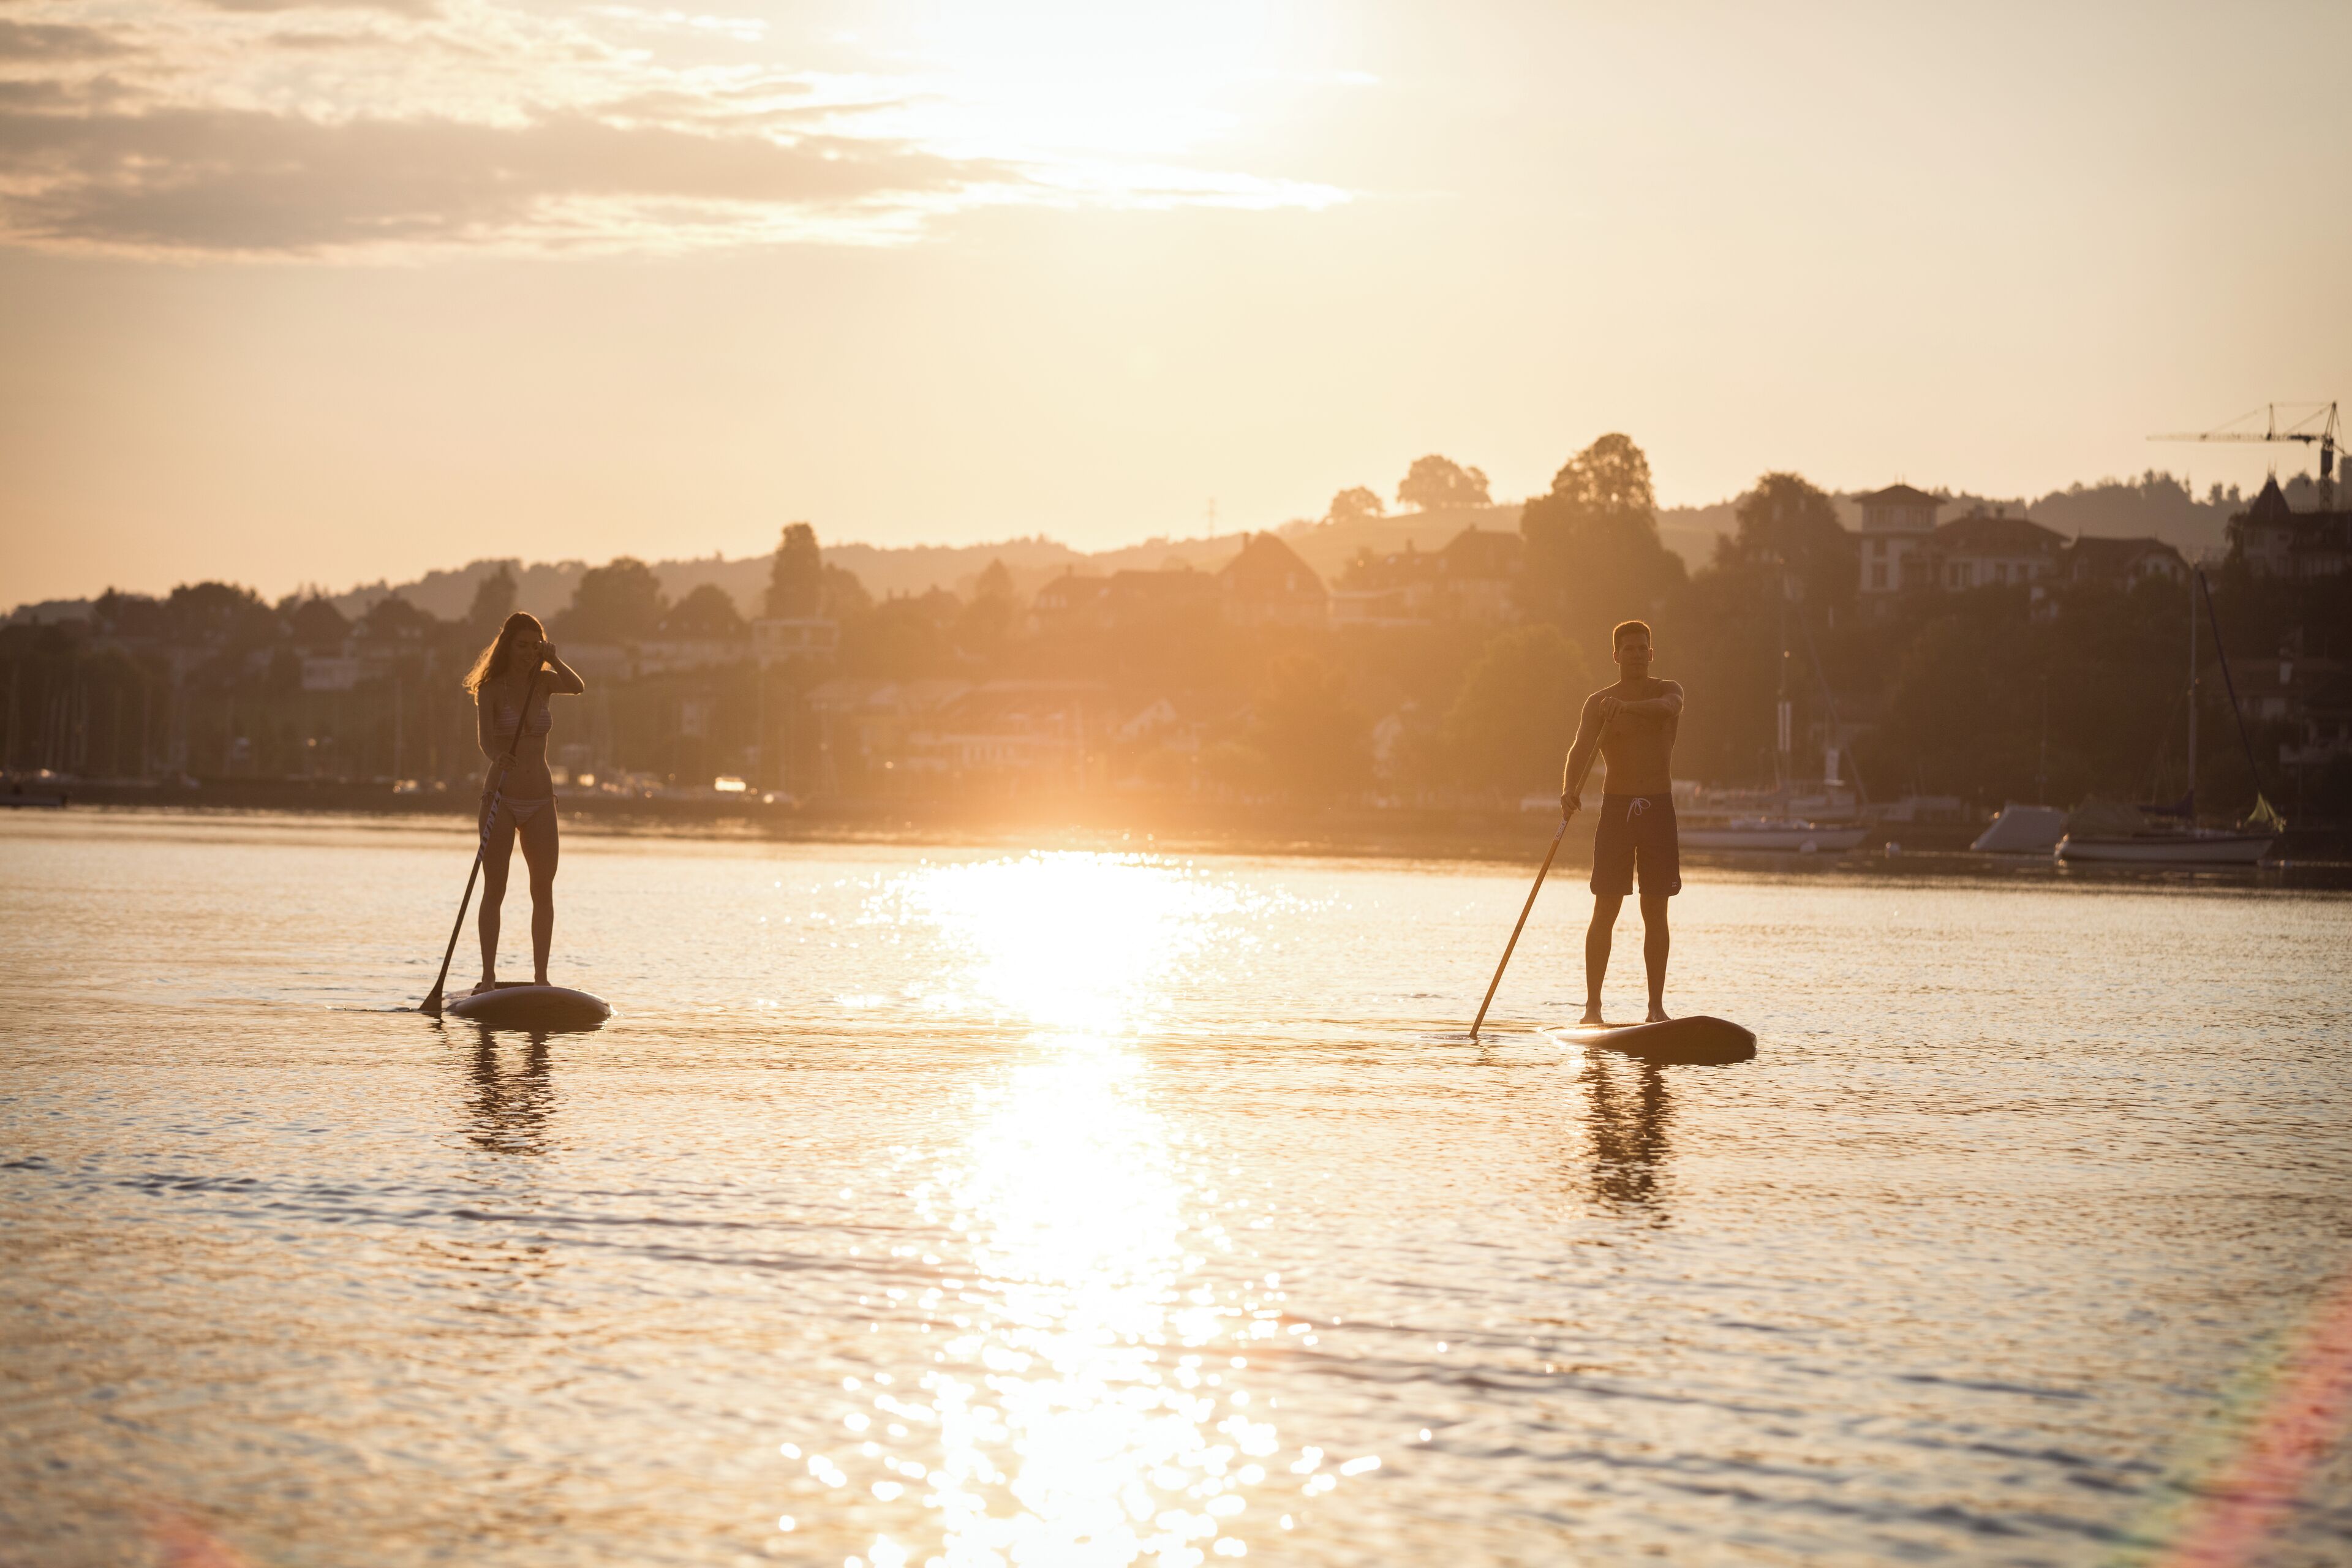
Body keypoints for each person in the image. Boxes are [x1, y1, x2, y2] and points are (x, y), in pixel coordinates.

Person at [1559, 619, 1684, 1024]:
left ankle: (1655, 1010)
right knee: (1606, 907)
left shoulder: (1668, 691)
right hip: (1617, 810)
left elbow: (1667, 709)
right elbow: (1579, 750)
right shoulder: (1598, 703)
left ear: (1652, 654)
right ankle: (1592, 1009)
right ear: (1616, 656)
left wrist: (1627, 708)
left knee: (1656, 910)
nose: (1636, 655)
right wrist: (1569, 790)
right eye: (1628, 649)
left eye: (1642, 648)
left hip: (1658, 809)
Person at [462, 611, 586, 996]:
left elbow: (578, 687)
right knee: (495, 889)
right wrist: (497, 756)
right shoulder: (491, 688)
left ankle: (541, 978)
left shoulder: (544, 682)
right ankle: (488, 977)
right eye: (522, 646)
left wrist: (554, 659)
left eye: (535, 646)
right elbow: (486, 740)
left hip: (540, 799)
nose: (529, 653)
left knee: (542, 890)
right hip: (501, 796)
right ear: (507, 646)